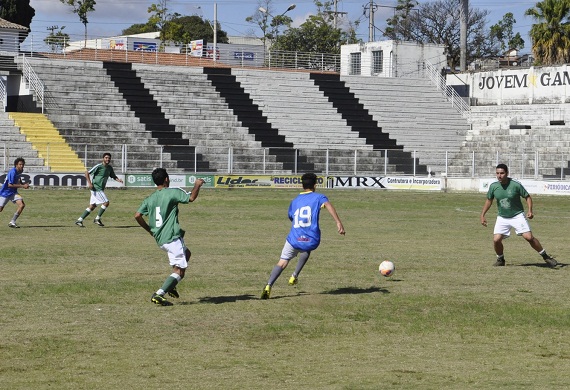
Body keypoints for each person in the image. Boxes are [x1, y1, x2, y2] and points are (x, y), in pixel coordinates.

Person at [261, 173, 345, 299]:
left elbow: (291, 217)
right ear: (315, 185)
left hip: (294, 238)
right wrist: (338, 222)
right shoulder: (319, 197)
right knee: (306, 248)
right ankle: (294, 275)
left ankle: (268, 285)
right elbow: (328, 205)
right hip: (311, 239)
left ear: (302, 185)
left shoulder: (295, 201)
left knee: (282, 263)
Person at [135, 168, 204, 306]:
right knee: (180, 271)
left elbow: (137, 215)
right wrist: (197, 184)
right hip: (172, 238)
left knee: (187, 253)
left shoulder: (150, 198)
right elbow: (191, 198)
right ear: (166, 179)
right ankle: (159, 294)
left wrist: (149, 230)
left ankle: (171, 285)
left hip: (161, 239)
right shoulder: (172, 192)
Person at [480, 163, 557, 267]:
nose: (499, 175)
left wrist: (530, 210)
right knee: (496, 240)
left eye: (502, 173)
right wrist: (483, 215)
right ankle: (500, 259)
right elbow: (489, 201)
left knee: (529, 237)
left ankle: (546, 257)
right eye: (497, 173)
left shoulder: (515, 184)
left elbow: (527, 197)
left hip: (517, 215)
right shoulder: (494, 186)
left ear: (507, 173)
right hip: (502, 217)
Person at [75, 152, 123, 227]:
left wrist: (118, 180)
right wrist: (90, 183)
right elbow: (86, 172)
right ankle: (97, 219)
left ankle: (79, 220)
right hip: (97, 188)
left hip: (100, 189)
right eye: (106, 158)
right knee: (106, 202)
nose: (108, 159)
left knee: (93, 206)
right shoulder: (99, 166)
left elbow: (113, 176)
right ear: (103, 158)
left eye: (109, 158)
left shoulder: (109, 168)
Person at [0, 157, 30, 228]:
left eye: (22, 164)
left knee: (22, 205)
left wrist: (23, 184)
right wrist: (23, 186)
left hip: (13, 192)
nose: (21, 166)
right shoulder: (12, 172)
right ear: (16, 165)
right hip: (5, 193)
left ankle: (12, 222)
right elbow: (9, 185)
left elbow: (18, 178)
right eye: (20, 164)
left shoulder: (20, 171)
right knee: (0, 209)